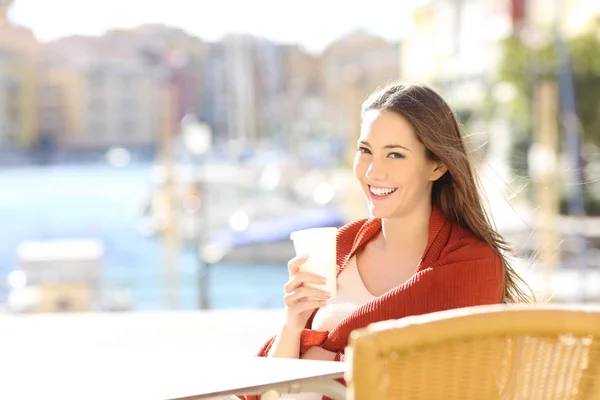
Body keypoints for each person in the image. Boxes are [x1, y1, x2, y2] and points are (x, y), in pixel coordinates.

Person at [241, 81, 532, 400]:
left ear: (437, 164)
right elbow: (266, 392)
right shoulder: (340, 246)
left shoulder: (472, 264)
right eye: (365, 151)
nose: (372, 172)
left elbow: (435, 383)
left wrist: (324, 354)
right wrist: (293, 326)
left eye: (395, 154)